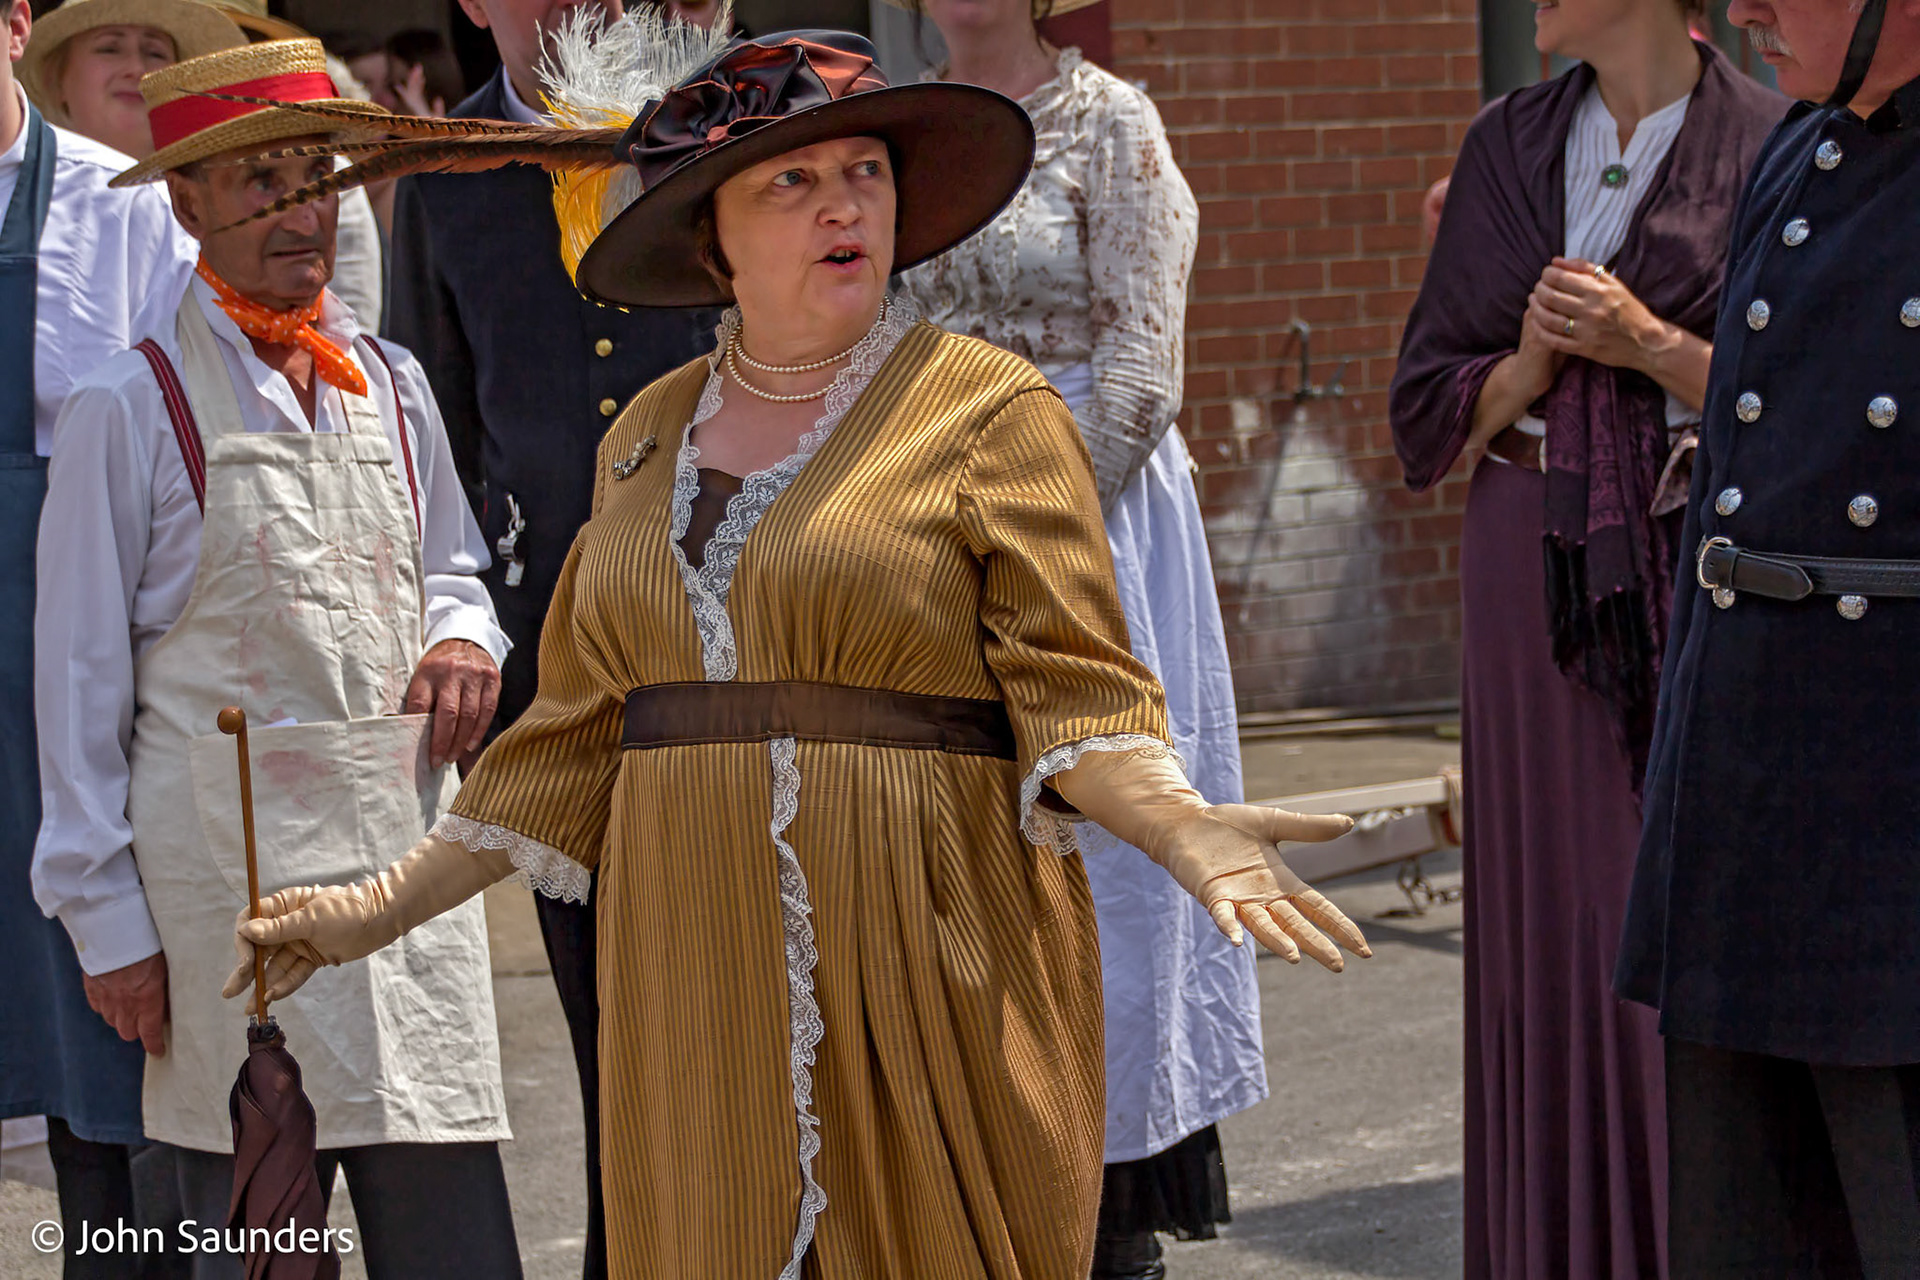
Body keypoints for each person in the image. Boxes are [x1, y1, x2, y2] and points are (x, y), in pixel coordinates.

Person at [224, 28, 1372, 1279]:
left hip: (919, 956)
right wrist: (377, 906)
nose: (844, 204)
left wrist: (1175, 817)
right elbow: (571, 737)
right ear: (713, 235)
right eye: (794, 180)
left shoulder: (988, 407)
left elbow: (1077, 685)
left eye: (867, 174)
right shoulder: (646, 438)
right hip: (689, 970)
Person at [32, 39, 522, 1279]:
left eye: (316, 177)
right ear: (185, 200)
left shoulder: (396, 389)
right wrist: (108, 925)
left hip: (403, 892)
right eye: (262, 182)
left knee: (457, 1251)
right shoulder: (129, 407)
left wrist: (465, 634)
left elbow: (453, 568)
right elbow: (79, 689)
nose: (301, 209)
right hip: (226, 922)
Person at [1387, 0, 1782, 1273]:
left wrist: (1644, 342)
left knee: (1650, 895)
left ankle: (1690, 1233)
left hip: (1681, 558)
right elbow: (1431, 392)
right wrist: (1527, 365)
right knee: (1544, 913)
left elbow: (1794, 391)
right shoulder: (1506, 139)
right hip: (1522, 555)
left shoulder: (1774, 143)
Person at [899, 5, 1254, 1276]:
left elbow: (1144, 371)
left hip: (1091, 539)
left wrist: (1018, 534)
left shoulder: (1115, 125)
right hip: (927, 547)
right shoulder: (908, 128)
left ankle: (1105, 1226)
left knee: (1097, 869)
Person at [383, 4, 721, 1272]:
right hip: (551, 663)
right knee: (607, 1013)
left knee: (748, 985)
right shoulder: (440, 168)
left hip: (725, 629)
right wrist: (459, 622)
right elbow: (435, 421)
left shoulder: (705, 116)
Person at [1615, 0, 1920, 1269]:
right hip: (1746, 777)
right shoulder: (1797, 151)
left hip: (1889, 794)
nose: (1741, 9)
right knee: (1747, 1216)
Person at [0, 3, 198, 1276]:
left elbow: (173, 444)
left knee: (96, 1013)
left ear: (14, 27)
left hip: (65, 651)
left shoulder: (124, 205)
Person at [16, 0, 243, 158]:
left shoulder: (215, 204)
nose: (136, 68)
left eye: (155, 53)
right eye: (109, 49)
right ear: (57, 81)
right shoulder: (15, 195)